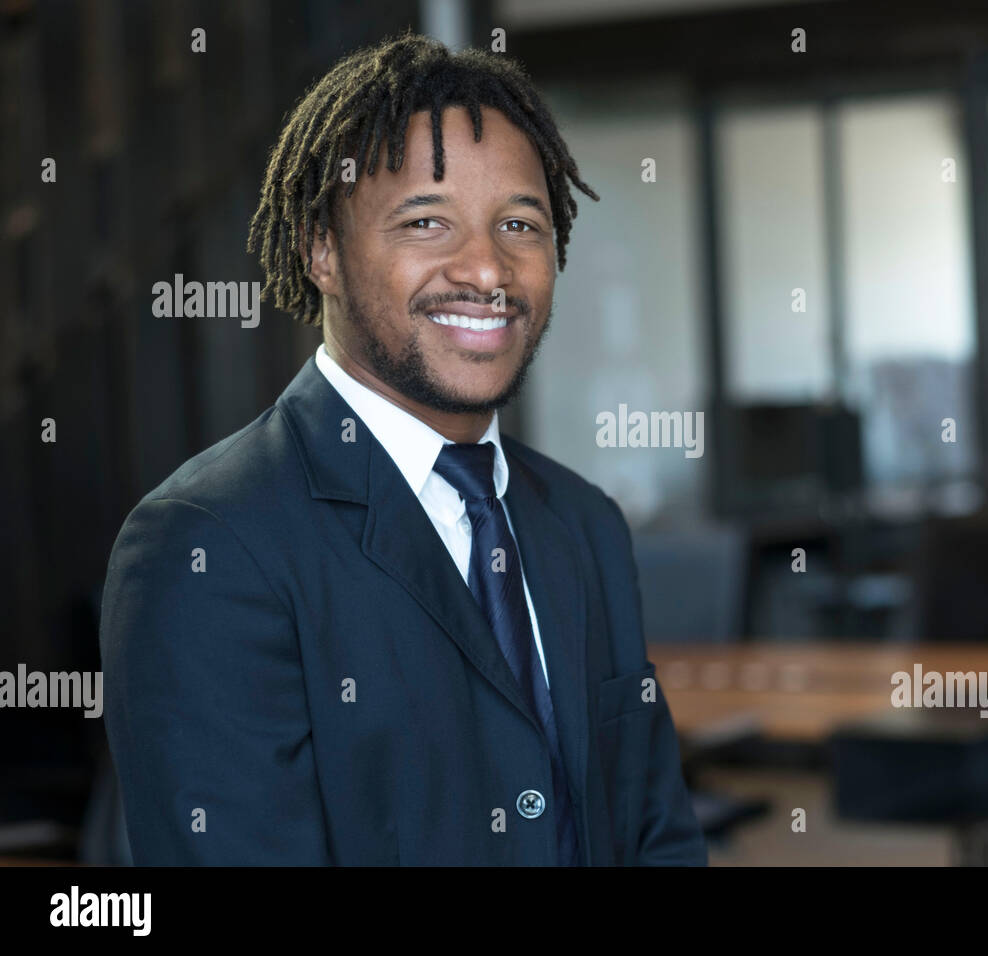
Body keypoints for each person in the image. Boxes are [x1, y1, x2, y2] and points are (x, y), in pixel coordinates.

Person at [98, 31, 707, 866]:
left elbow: (655, 835)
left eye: (519, 223)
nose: (487, 270)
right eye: (427, 221)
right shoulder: (207, 544)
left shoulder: (584, 523)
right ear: (323, 251)